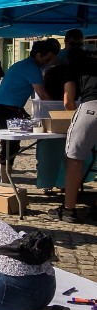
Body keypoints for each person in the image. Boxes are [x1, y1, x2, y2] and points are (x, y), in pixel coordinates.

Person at [0, 40, 55, 182]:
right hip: (5, 108)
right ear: (38, 55)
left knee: (12, 143)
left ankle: (6, 178)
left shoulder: (23, 64)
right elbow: (43, 95)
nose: (47, 62)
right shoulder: (32, 68)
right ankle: (5, 180)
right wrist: (59, 110)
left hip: (8, 107)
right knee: (9, 144)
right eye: (47, 59)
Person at [52, 47, 97, 223]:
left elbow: (68, 101)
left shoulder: (73, 66)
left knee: (74, 158)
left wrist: (75, 118)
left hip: (91, 107)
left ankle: (69, 209)